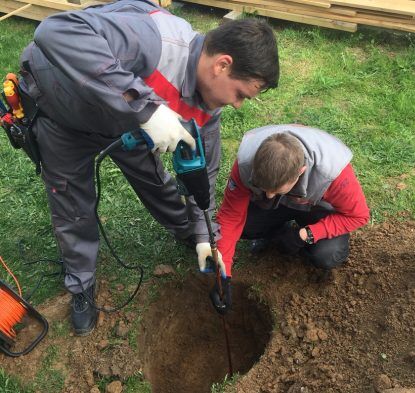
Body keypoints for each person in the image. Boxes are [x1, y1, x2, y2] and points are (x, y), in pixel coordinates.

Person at [18, 0, 279, 335]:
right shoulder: (154, 42)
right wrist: (148, 110)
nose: (238, 104)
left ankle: (190, 233)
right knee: (72, 204)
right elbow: (54, 31)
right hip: (63, 110)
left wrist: (204, 235)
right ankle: (81, 284)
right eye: (241, 93)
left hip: (125, 120)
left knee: (157, 182)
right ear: (222, 65)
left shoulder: (208, 107)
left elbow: (204, 176)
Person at [207, 124, 370, 314]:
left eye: (275, 189)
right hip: (281, 205)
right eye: (263, 187)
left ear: (300, 171)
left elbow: (359, 216)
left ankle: (301, 240)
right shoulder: (247, 163)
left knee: (328, 254)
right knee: (245, 225)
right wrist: (223, 273)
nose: (268, 195)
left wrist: (306, 234)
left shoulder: (332, 174)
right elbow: (230, 216)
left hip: (316, 207)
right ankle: (278, 231)